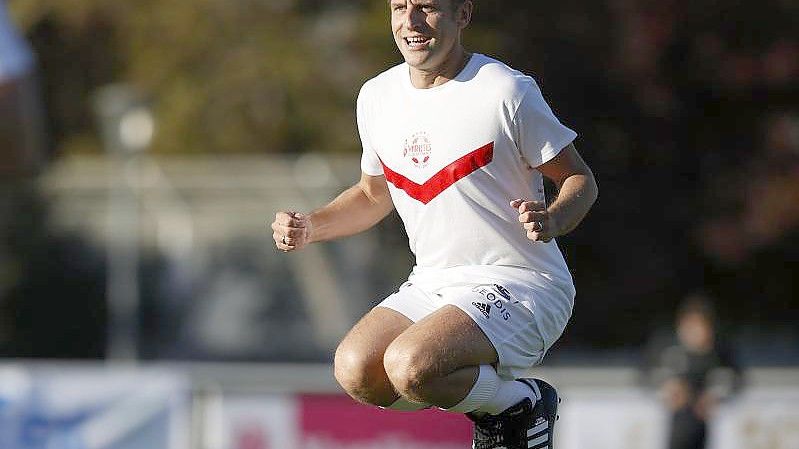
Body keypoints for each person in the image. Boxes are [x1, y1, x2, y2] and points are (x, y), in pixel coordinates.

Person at [271, 1, 597, 447]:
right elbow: (372, 195)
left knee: (411, 364)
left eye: (427, 7)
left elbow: (581, 179)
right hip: (434, 283)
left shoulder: (505, 90)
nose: (411, 21)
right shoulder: (376, 96)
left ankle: (519, 405)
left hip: (524, 283)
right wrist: (312, 226)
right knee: (356, 369)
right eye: (400, 7)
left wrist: (554, 218)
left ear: (462, 14)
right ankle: (503, 405)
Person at [643, 295, 742, 449]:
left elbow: (736, 379)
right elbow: (645, 374)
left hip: (705, 427)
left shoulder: (719, 352)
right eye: (692, 325)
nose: (697, 332)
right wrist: (667, 388)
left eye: (702, 326)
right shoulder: (665, 348)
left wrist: (714, 396)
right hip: (670, 427)